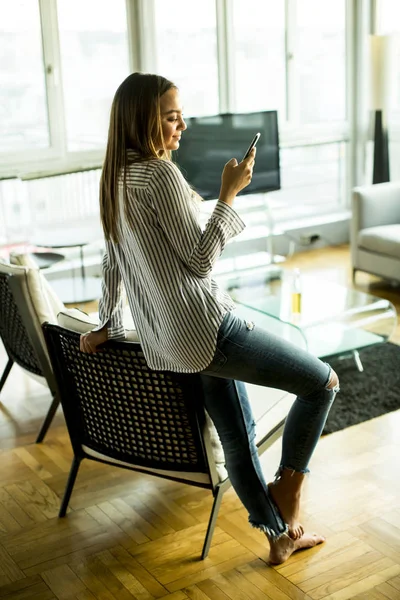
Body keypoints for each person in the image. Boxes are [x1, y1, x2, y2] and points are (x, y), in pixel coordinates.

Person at [80, 72, 339, 565]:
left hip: (173, 343)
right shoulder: (158, 175)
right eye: (172, 117)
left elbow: (113, 262)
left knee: (237, 440)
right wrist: (228, 194)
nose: (183, 126)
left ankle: (279, 536)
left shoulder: (115, 177)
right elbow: (200, 262)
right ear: (143, 120)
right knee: (322, 383)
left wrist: (107, 323)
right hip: (208, 329)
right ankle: (290, 492)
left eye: (181, 115)